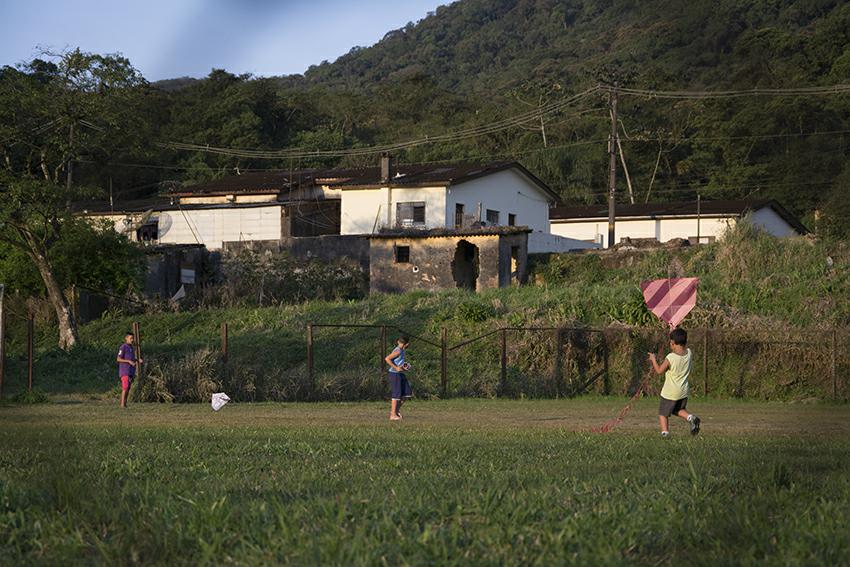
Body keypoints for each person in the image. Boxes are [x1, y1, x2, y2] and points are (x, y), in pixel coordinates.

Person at [648, 328, 701, 438]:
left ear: (672, 343)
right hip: (683, 391)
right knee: (678, 410)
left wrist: (653, 359)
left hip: (670, 392)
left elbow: (659, 371)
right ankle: (691, 417)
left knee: (663, 414)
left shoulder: (670, 358)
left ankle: (665, 434)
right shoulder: (689, 353)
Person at [384, 336, 412, 420]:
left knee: (407, 393)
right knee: (396, 394)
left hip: (400, 373)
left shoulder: (401, 350)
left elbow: (398, 362)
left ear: (398, 342)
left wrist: (404, 366)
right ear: (406, 344)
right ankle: (393, 415)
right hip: (394, 374)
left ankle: (396, 411)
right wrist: (396, 367)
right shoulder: (398, 351)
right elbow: (387, 359)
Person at [116, 331, 142, 408]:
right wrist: (128, 361)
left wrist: (137, 360)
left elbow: (132, 358)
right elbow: (118, 359)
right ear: (126, 338)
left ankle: (125, 403)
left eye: (133, 338)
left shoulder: (131, 348)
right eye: (131, 338)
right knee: (125, 387)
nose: (132, 340)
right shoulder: (123, 347)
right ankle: (122, 404)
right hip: (125, 371)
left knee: (128, 388)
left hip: (131, 371)